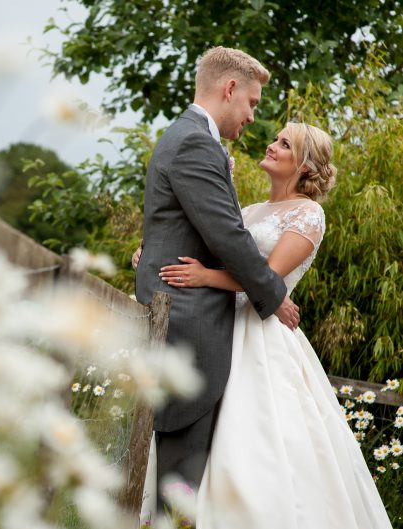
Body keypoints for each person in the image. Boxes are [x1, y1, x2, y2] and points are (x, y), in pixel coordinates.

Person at [156, 122, 393, 528]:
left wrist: (206, 277)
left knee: (259, 435)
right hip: (221, 327)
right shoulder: (248, 211)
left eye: (285, 144)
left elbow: (268, 277)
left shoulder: (308, 214)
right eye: (276, 139)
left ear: (303, 166)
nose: (272, 145)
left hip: (263, 337)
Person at [133, 46, 299, 513]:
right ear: (230, 89)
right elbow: (226, 233)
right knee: (181, 479)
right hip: (190, 322)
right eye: (252, 103)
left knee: (185, 477)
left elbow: (179, 225)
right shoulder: (193, 142)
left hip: (190, 315)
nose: (251, 117)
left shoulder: (190, 138)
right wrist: (274, 294)